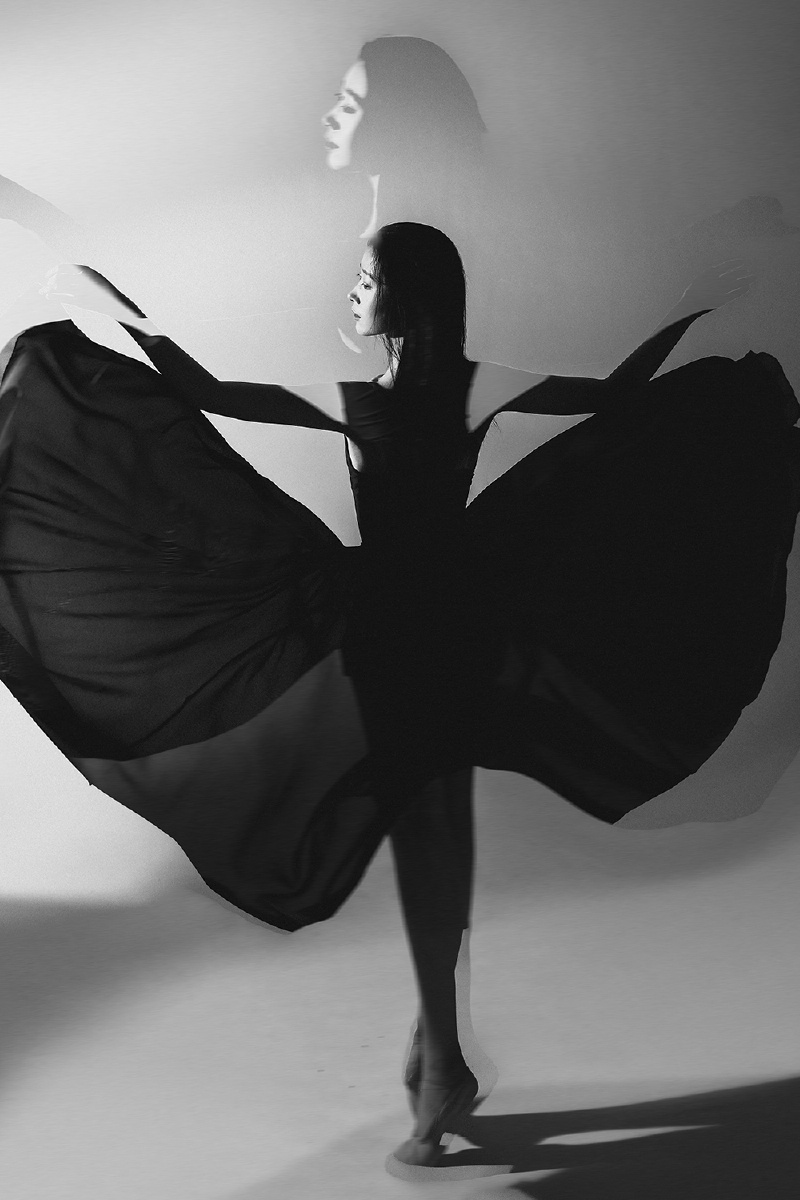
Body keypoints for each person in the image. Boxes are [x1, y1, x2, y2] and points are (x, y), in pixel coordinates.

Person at [1, 224, 798, 1171]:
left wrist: (687, 313)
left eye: (368, 277)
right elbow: (210, 396)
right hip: (419, 631)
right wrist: (124, 316)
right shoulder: (432, 391)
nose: (353, 290)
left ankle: (441, 1060)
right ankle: (439, 1048)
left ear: (409, 298)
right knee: (431, 831)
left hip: (425, 635)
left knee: (431, 834)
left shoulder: (409, 395)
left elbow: (613, 400)